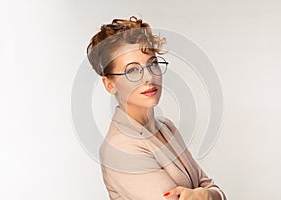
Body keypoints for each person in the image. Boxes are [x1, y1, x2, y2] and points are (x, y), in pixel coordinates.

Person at [87, 16, 227, 200]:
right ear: (109, 84)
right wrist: (208, 195)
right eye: (132, 70)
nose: (149, 78)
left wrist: (206, 194)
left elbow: (211, 187)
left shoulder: (166, 127)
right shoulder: (120, 149)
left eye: (152, 64)